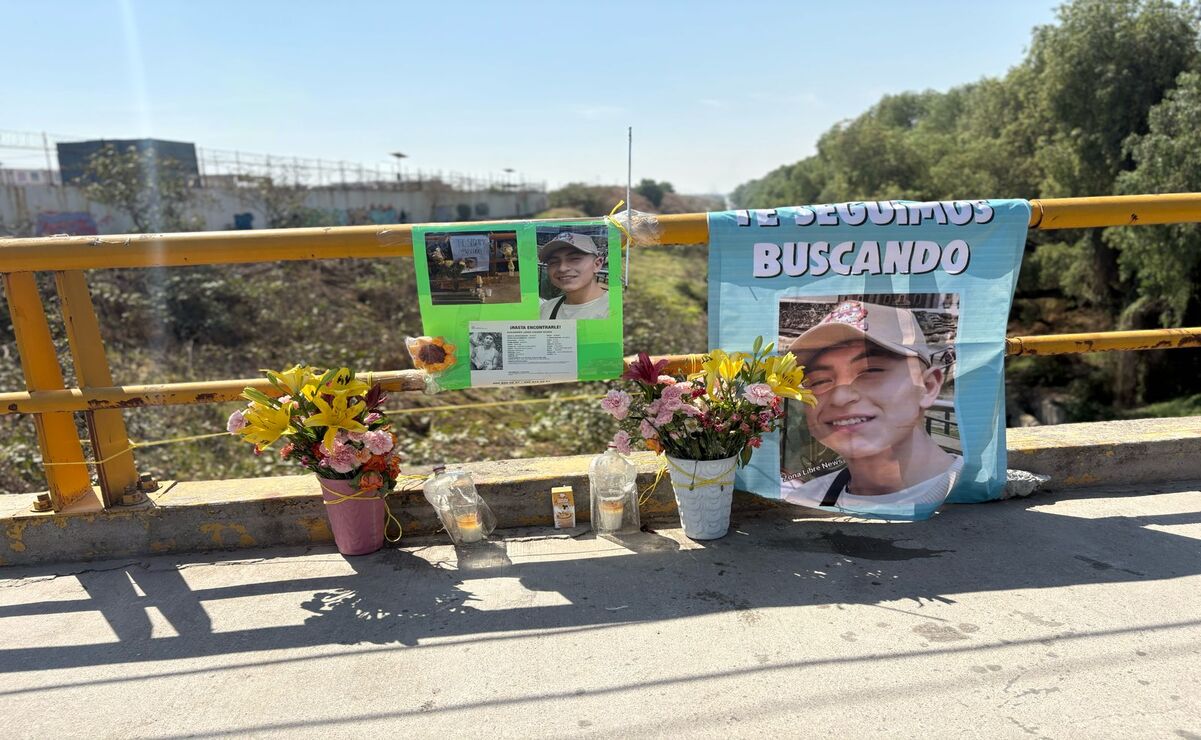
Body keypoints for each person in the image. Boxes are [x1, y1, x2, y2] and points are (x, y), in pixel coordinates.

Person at [781, 300, 961, 516]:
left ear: (928, 386)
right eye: (819, 381)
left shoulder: (973, 489)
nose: (840, 397)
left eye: (870, 371)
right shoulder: (804, 501)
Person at [538, 232, 609, 320]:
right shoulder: (545, 309)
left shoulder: (617, 309)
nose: (562, 268)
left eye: (574, 259)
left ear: (597, 264)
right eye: (553, 262)